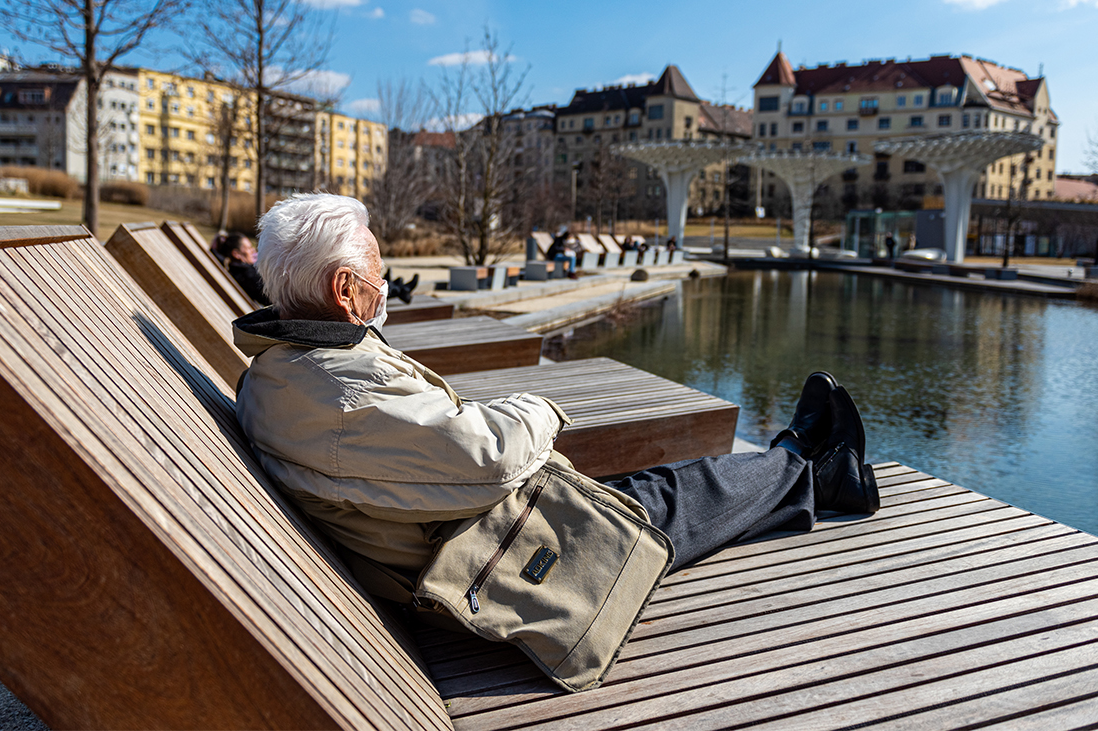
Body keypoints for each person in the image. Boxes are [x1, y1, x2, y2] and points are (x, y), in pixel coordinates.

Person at [232, 193, 880, 691]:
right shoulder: (338, 392)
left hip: (462, 532)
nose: (385, 285)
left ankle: (812, 469)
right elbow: (486, 457)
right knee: (680, 493)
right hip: (492, 562)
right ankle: (803, 460)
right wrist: (540, 406)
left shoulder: (279, 373)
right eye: (378, 272)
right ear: (346, 292)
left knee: (653, 487)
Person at [212, 231, 271, 305]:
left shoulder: (233, 271)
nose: (253, 250)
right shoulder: (249, 276)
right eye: (249, 248)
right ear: (236, 254)